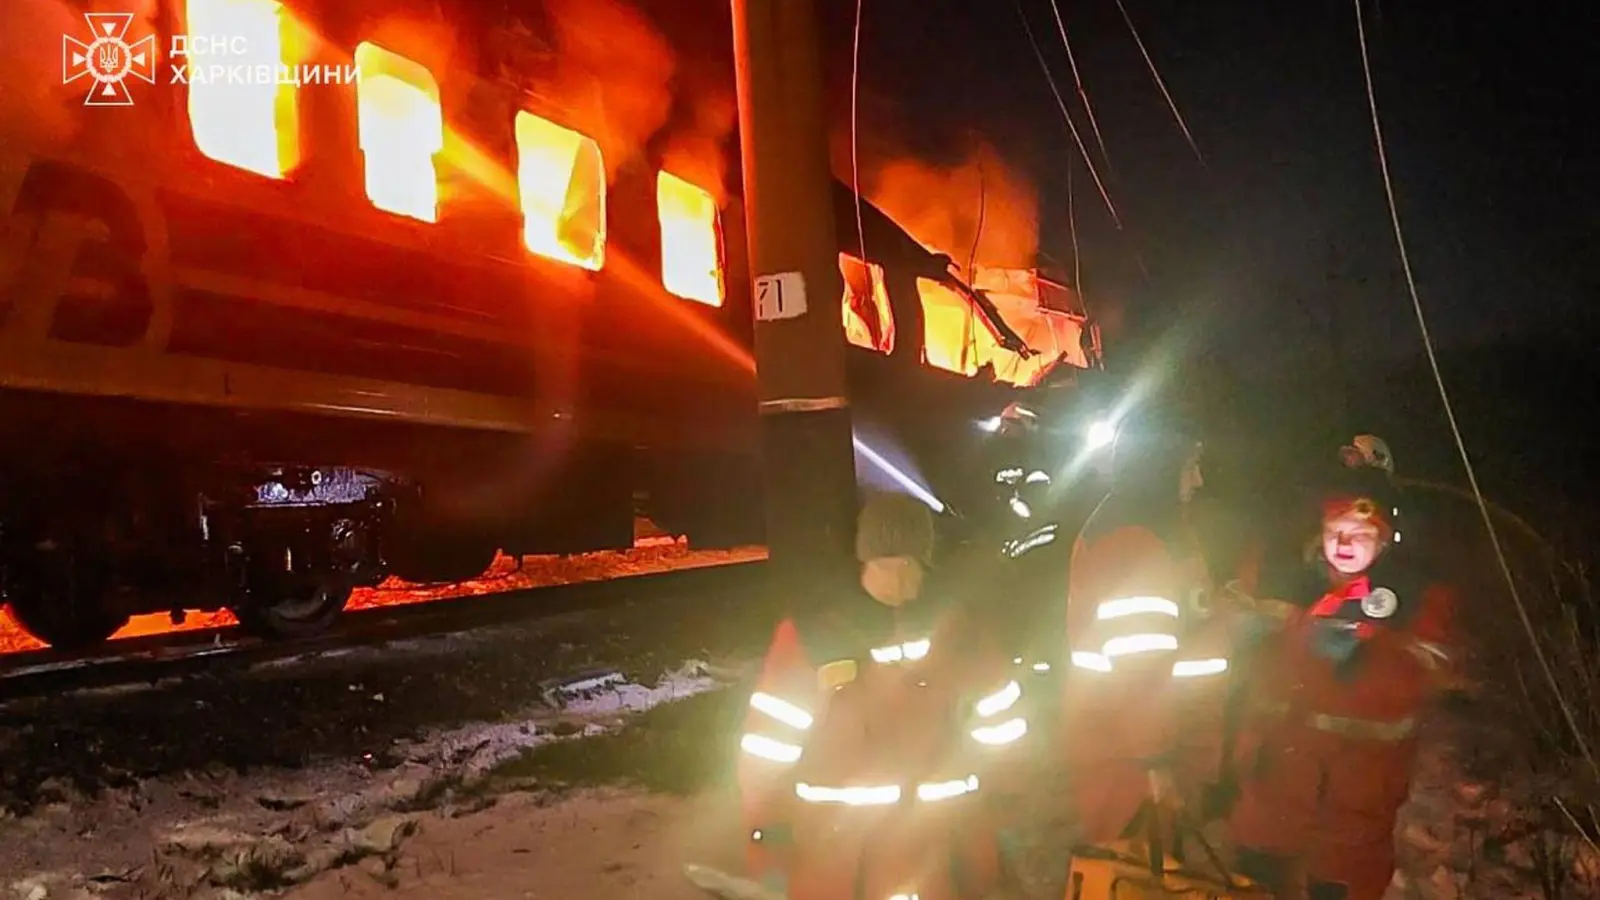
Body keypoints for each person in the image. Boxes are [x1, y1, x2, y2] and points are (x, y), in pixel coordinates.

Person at [736, 491, 1020, 897]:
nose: (899, 576)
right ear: (863, 561)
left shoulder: (961, 634)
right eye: (886, 563)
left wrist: (1001, 802)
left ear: (926, 563)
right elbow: (768, 746)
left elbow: (1002, 723)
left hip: (935, 855)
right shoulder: (814, 638)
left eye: (908, 563)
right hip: (844, 864)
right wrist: (766, 829)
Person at [1226, 436, 1457, 900]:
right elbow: (1244, 658)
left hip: (1354, 816)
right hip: (1271, 802)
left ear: (1386, 540)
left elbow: (1428, 677)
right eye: (1337, 531)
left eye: (1362, 533)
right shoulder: (1287, 586)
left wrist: (1371, 651)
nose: (1346, 543)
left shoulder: (1416, 600)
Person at [1059, 412, 1236, 846]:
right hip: (1133, 762)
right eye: (1188, 467)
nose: (1196, 480)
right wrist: (1156, 762)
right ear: (1158, 469)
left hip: (1143, 746)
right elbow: (1140, 666)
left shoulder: (1151, 529)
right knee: (1133, 876)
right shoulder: (1137, 544)